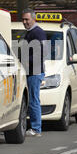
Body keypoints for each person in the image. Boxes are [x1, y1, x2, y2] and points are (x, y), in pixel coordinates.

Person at [21, 8, 46, 137]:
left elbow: (41, 52)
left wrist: (28, 61)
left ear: (33, 19)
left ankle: (36, 128)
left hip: (34, 72)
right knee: (30, 99)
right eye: (23, 19)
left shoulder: (38, 32)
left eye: (27, 19)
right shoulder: (30, 32)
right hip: (29, 71)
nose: (25, 22)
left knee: (33, 100)